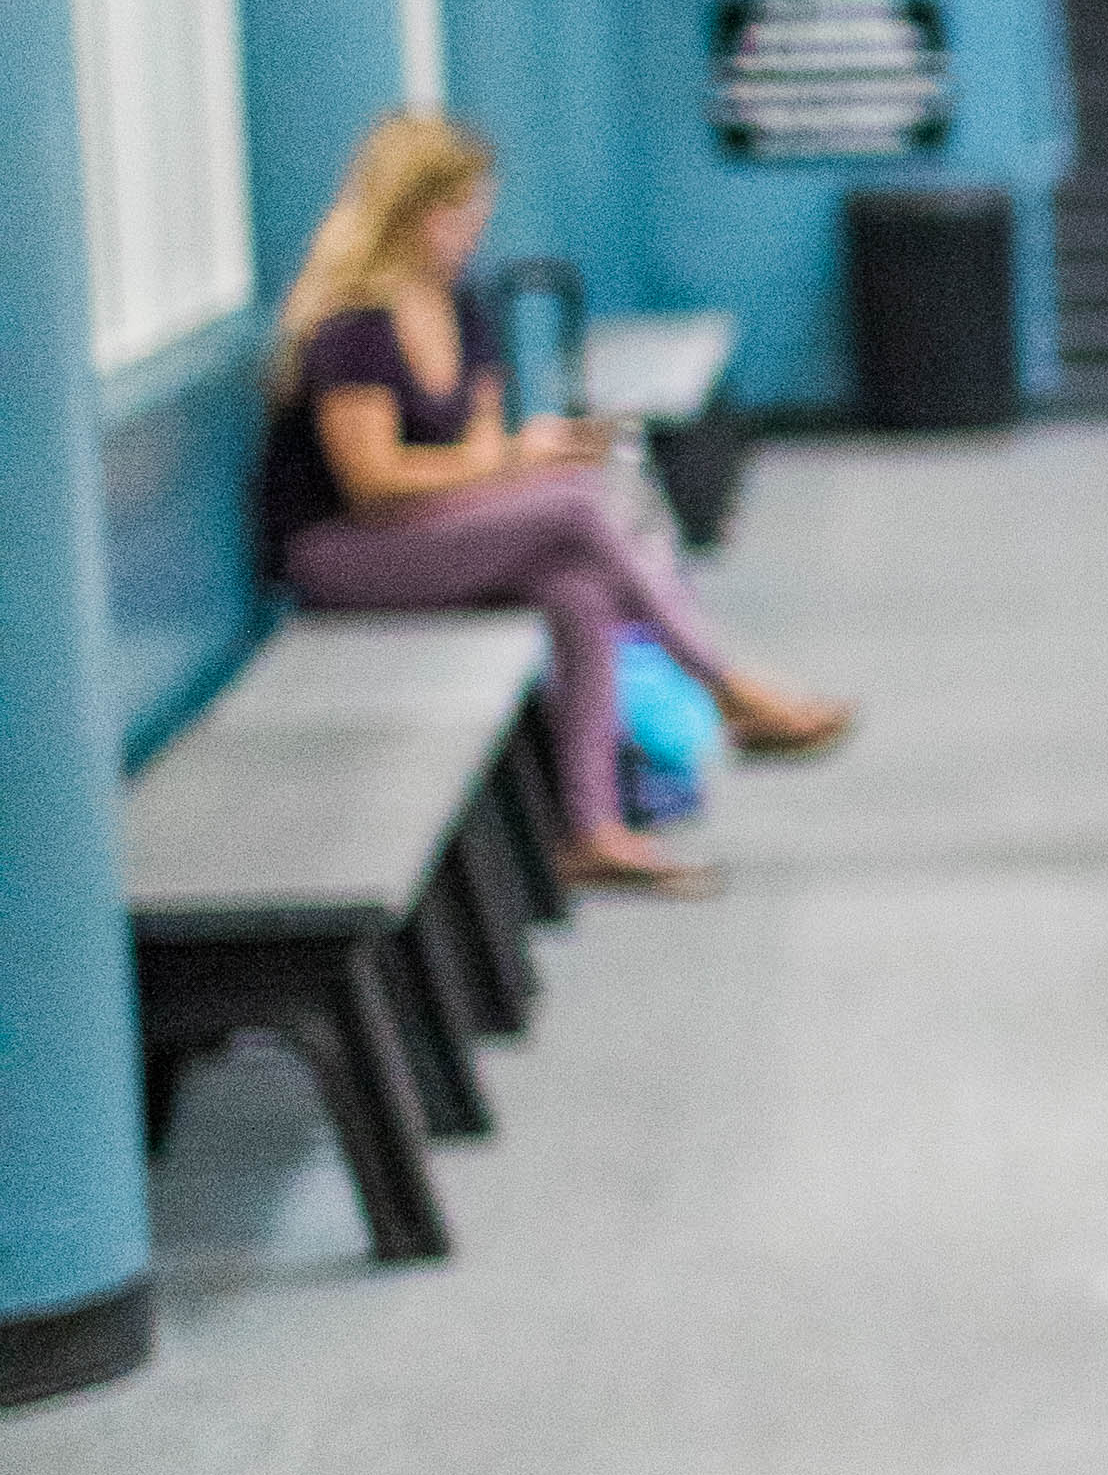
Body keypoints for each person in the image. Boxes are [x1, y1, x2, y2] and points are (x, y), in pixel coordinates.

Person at [260, 109, 853, 894]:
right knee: (575, 511)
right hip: (344, 553)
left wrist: (534, 455)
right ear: (410, 213)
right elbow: (374, 485)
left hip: (429, 536)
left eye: (477, 211)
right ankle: (727, 685)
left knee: (573, 586)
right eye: (458, 212)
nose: (471, 230)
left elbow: (471, 462)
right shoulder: (353, 329)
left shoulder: (463, 311)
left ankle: (593, 831)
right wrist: (516, 457)